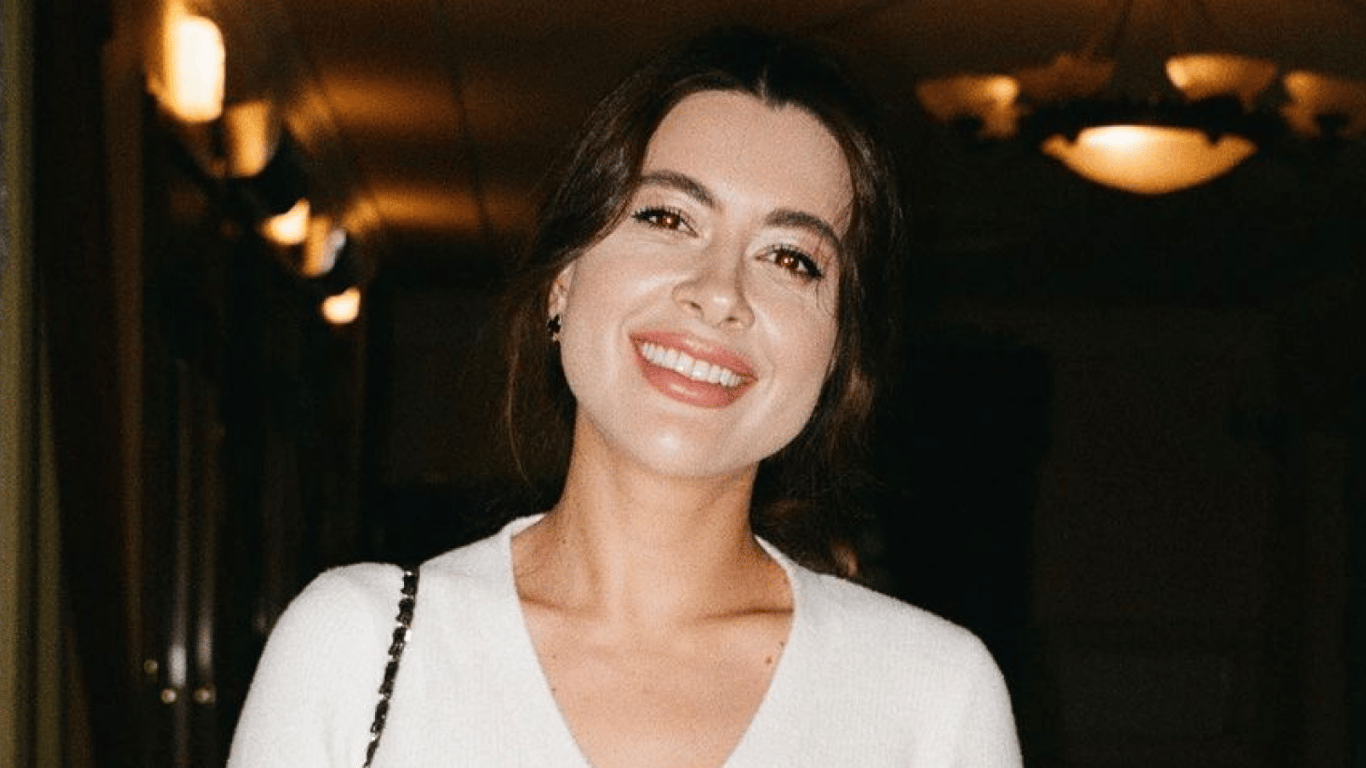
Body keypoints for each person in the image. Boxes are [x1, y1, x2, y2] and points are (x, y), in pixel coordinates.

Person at [227, 27, 1022, 768]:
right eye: (668, 217)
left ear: (839, 350)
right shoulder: (359, 650)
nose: (720, 292)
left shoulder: (933, 698)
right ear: (564, 281)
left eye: (791, 259)